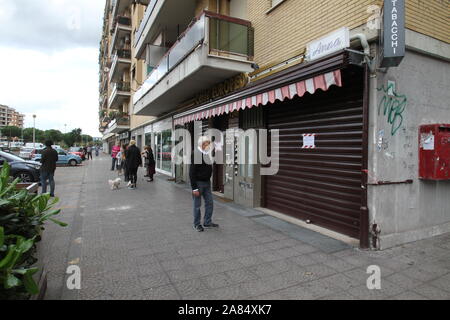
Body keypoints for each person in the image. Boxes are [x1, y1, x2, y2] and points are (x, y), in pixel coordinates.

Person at [189, 136, 218, 232]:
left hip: (206, 183)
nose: (209, 146)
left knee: (210, 203)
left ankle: (207, 222)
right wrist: (194, 188)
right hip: (198, 183)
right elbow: (192, 172)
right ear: (202, 144)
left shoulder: (205, 153)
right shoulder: (196, 154)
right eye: (207, 144)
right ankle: (197, 224)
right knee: (197, 205)